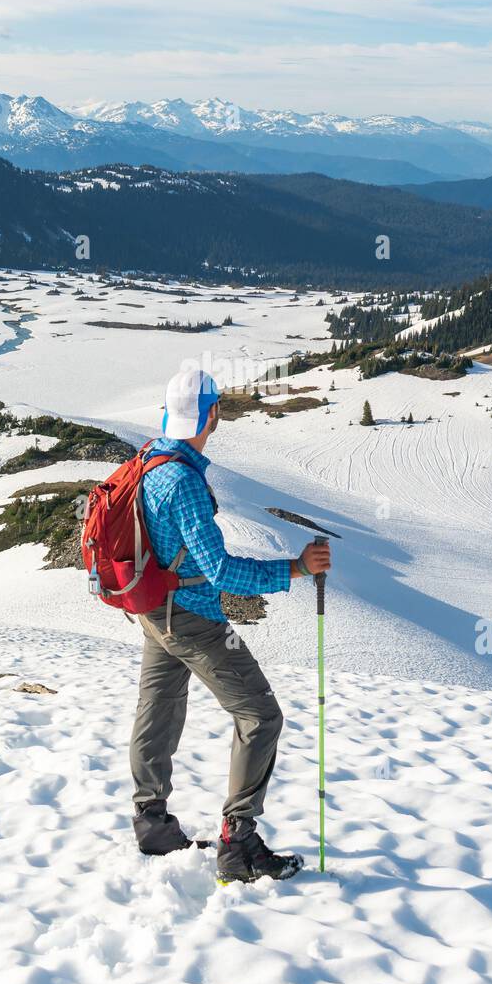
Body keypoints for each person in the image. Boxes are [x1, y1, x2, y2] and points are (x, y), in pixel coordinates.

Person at [129, 367, 332, 883]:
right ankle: (238, 844)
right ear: (211, 413)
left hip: (153, 611)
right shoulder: (185, 480)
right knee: (261, 717)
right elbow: (219, 569)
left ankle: (152, 822)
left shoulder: (150, 458)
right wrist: (294, 568)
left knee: (158, 707)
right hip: (194, 618)